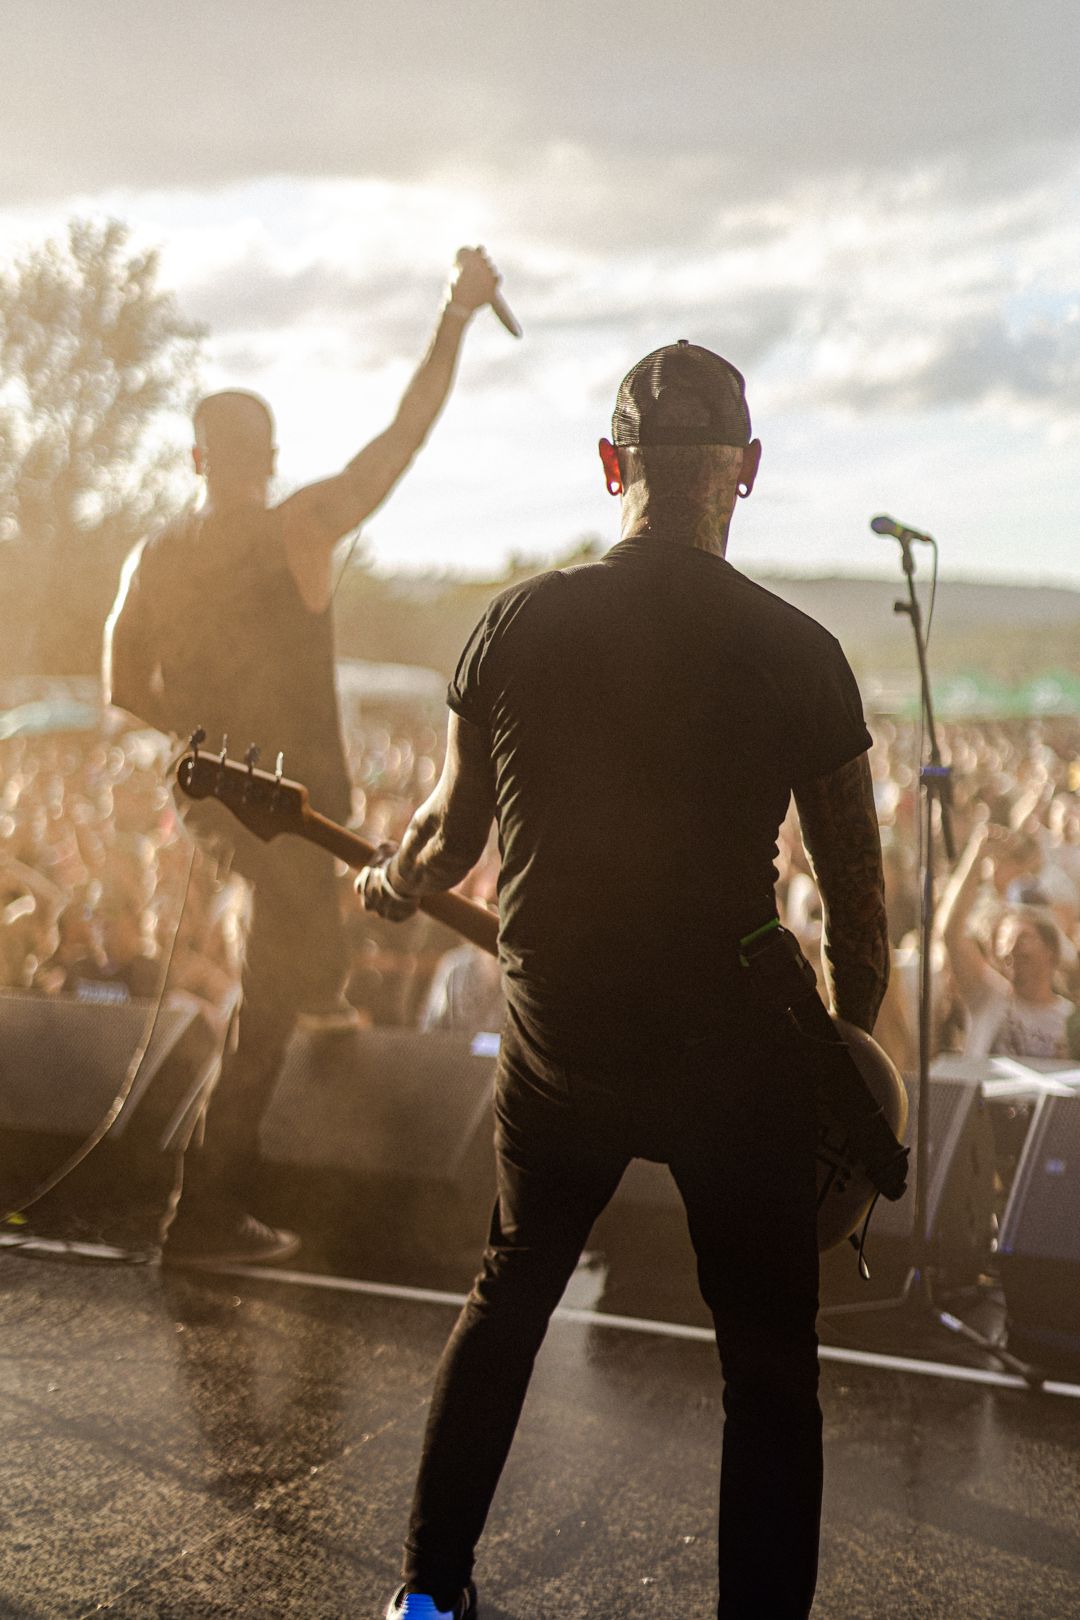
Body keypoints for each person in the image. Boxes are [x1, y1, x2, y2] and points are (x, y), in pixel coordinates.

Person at [358, 341, 889, 1619]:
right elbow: (863, 916)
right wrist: (846, 1067)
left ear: (611, 466)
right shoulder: (802, 650)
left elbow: (445, 843)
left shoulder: (516, 623)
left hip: (563, 1039)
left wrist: (387, 884)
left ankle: (427, 1598)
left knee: (511, 1292)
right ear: (745, 473)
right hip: (736, 1045)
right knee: (768, 1372)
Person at [104, 246, 504, 1267]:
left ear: (196, 459)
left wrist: (196, 746)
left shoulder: (155, 555)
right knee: (274, 989)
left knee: (312, 966)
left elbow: (119, 686)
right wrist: (454, 316)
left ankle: (297, 1072)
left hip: (212, 795)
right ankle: (201, 1212)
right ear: (270, 456)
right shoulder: (302, 529)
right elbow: (403, 439)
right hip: (298, 808)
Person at [939, 819, 1074, 1058]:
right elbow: (951, 933)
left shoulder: (1071, 1020)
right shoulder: (987, 996)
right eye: (1003, 942)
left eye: (1022, 939)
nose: (1010, 949)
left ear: (1050, 951)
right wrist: (977, 854)